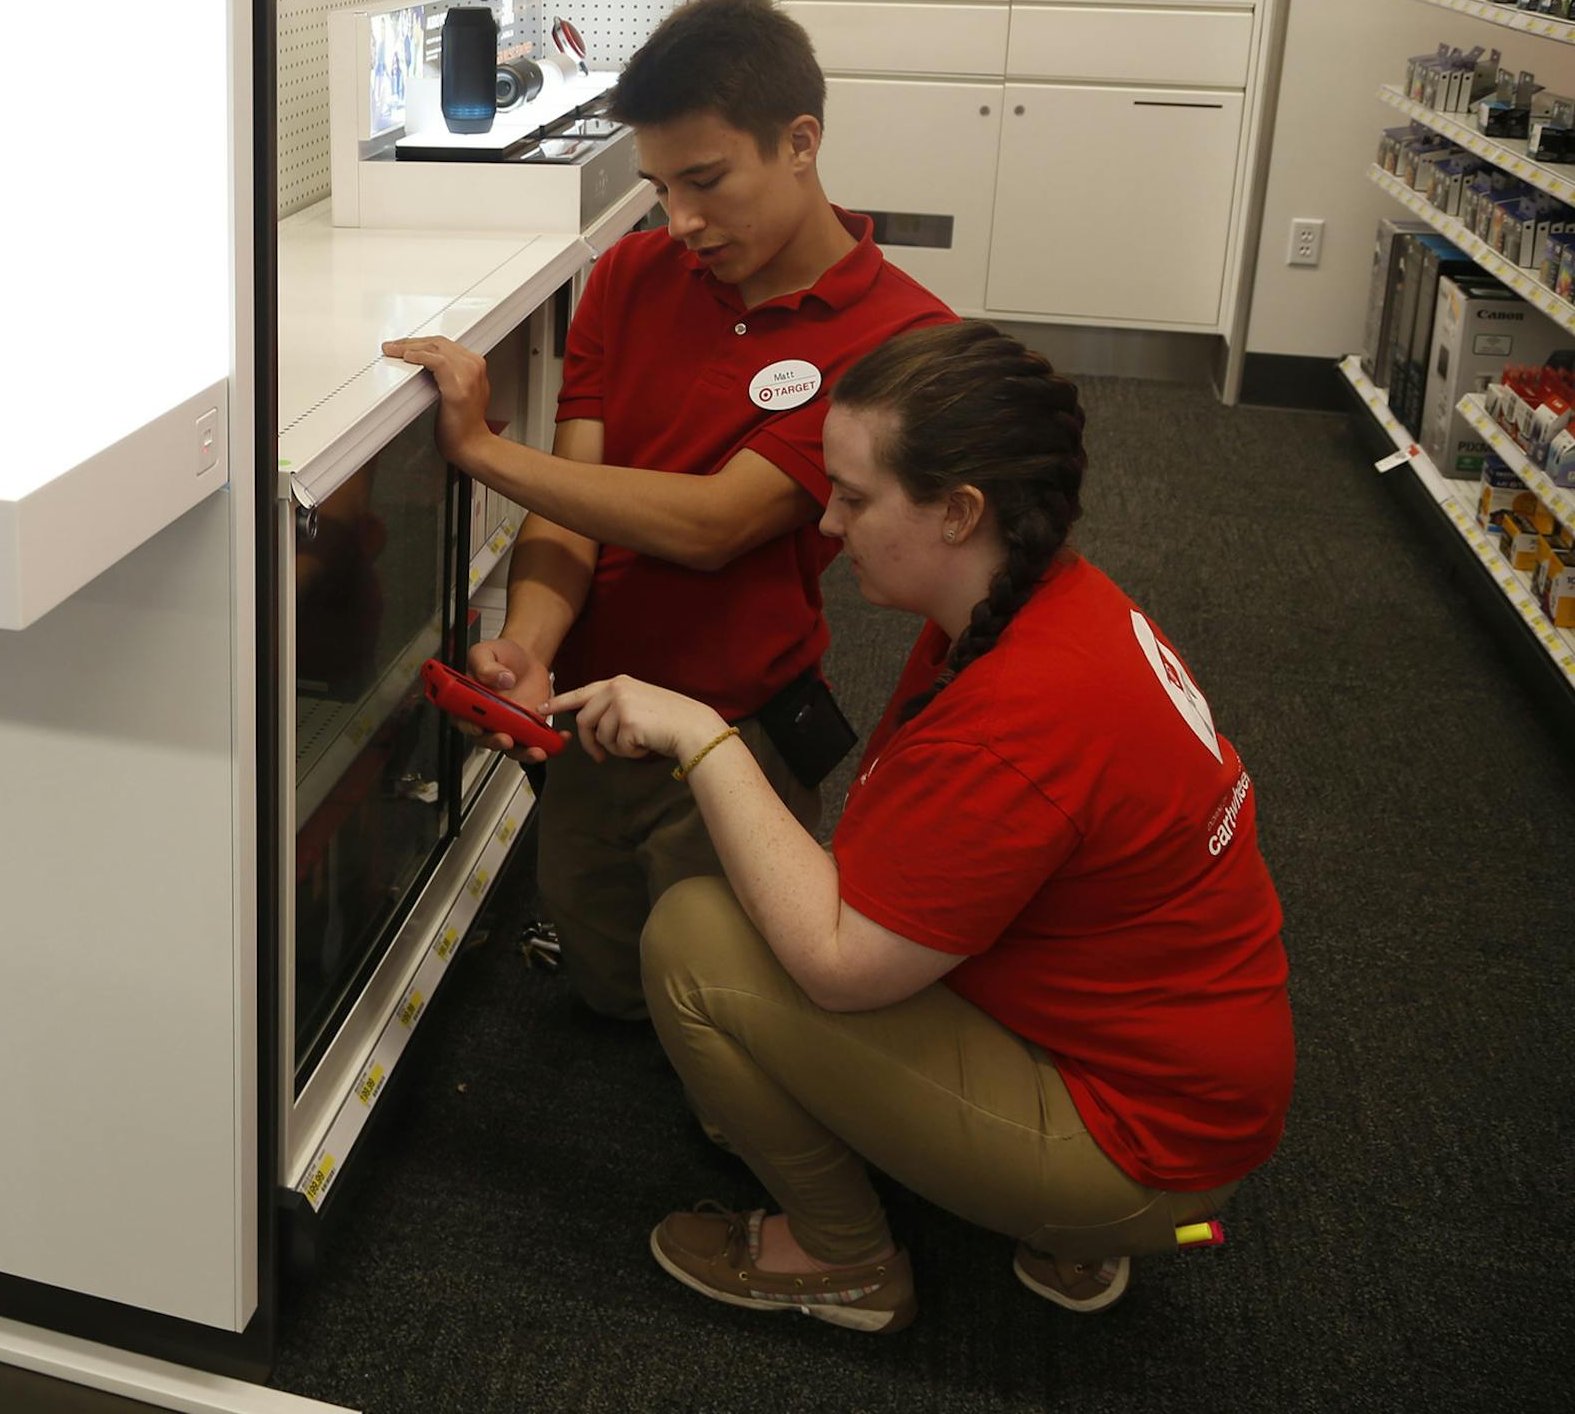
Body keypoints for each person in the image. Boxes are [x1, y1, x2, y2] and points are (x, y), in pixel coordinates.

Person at [546, 320, 1295, 1334]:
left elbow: (837, 964)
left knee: (694, 938)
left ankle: (844, 1260)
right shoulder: (1045, 605)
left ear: (960, 511)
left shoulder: (1016, 715)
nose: (826, 523)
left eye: (855, 498)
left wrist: (700, 735)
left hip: (1143, 1153)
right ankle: (1061, 1217)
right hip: (1180, 1070)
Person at [382, 0, 954, 1019]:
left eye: (706, 180)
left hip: (733, 730)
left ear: (801, 144)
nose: (681, 219)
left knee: (730, 1006)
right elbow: (575, 505)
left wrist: (482, 451)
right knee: (610, 980)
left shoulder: (900, 337)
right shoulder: (631, 276)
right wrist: (529, 649)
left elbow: (714, 525)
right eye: (659, 187)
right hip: (595, 712)